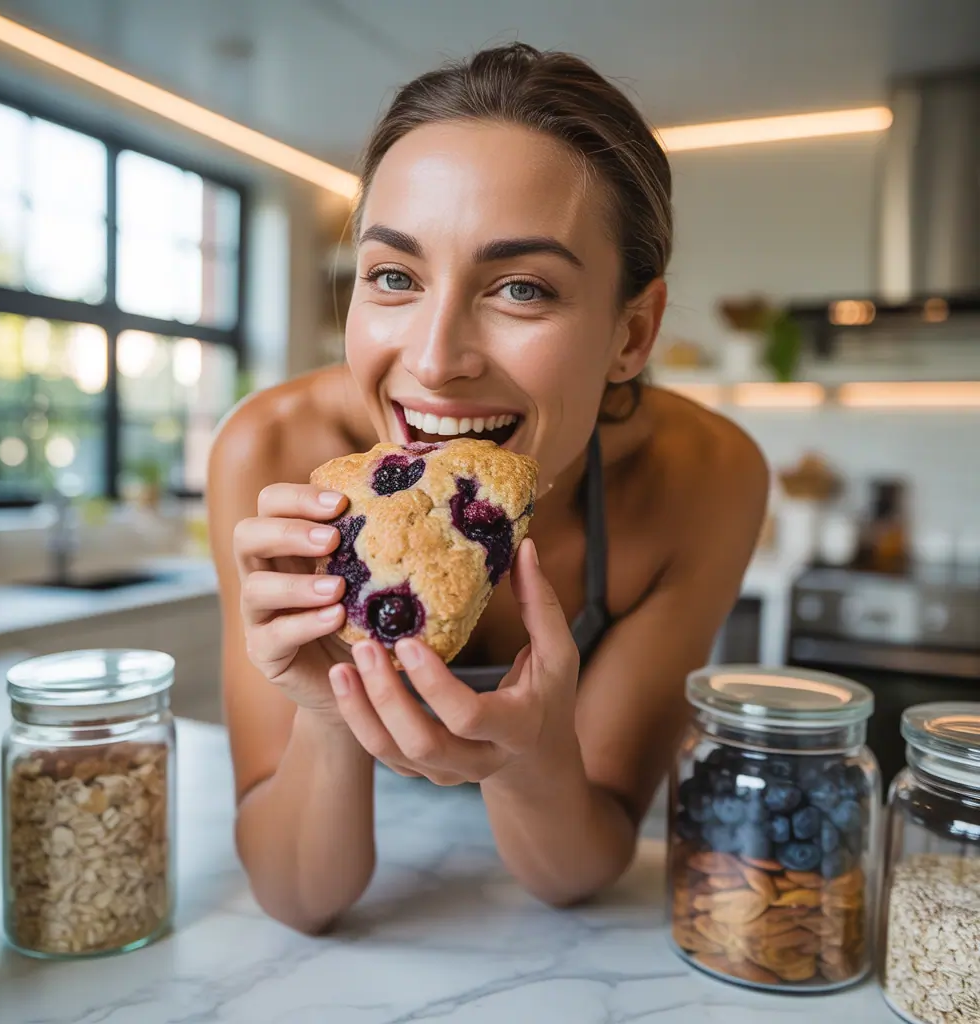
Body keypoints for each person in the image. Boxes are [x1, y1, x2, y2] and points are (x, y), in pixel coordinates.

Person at [208, 42, 768, 935]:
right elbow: (300, 896)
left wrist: (532, 755)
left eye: (521, 289)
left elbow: (579, 871)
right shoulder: (271, 452)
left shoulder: (699, 481)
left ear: (632, 333)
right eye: (395, 276)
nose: (435, 361)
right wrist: (329, 704)